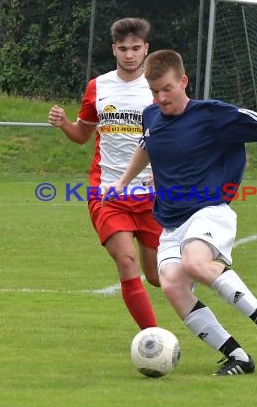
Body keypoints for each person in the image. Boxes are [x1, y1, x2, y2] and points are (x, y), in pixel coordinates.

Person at [103, 49, 257, 375]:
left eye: (167, 89)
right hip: (170, 221)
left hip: (209, 210)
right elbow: (147, 145)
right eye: (154, 91)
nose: (161, 98)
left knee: (195, 263)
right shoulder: (151, 116)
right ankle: (237, 356)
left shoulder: (213, 115)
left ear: (183, 81)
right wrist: (124, 181)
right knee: (172, 286)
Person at [48, 18, 161, 330]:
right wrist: (64, 125)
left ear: (146, 49)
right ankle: (153, 339)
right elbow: (82, 135)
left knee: (155, 276)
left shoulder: (158, 88)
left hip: (152, 195)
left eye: (135, 48)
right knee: (127, 263)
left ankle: (190, 285)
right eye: (123, 48)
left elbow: (174, 136)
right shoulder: (97, 87)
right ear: (114, 49)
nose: (129, 54)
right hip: (107, 193)